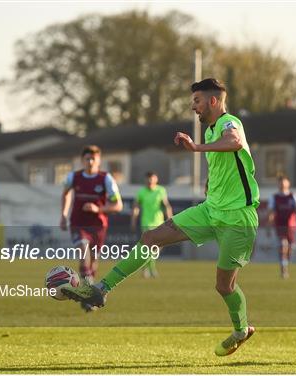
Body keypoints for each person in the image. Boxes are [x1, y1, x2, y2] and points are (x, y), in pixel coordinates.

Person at [62, 78, 260, 356]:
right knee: (151, 237)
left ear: (213, 101)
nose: (193, 107)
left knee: (224, 286)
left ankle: (241, 329)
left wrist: (195, 149)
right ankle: (102, 288)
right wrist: (209, 185)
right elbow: (224, 167)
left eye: (197, 101)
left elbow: (235, 141)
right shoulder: (211, 130)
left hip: (238, 218)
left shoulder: (230, 123)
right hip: (210, 210)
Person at [60, 145, 123, 289]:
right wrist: (63, 214)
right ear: (82, 160)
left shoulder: (106, 179)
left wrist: (98, 209)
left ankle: (89, 289)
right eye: (87, 159)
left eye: (93, 159)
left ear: (99, 160)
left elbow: (118, 205)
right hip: (78, 223)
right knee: (83, 251)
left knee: (93, 260)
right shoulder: (73, 177)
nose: (90, 162)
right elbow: (65, 194)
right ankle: (88, 289)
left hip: (98, 225)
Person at [131, 172, 173, 278]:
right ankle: (151, 270)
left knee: (157, 248)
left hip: (159, 223)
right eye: (148, 179)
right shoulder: (141, 192)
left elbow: (166, 205)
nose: (150, 181)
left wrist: (171, 219)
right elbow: (136, 207)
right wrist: (133, 220)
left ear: (156, 179)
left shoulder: (161, 190)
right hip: (146, 223)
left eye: (152, 179)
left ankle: (145, 267)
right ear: (146, 180)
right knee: (150, 247)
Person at [267, 175, 296, 279]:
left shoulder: (293, 196)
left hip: (291, 226)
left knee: (291, 247)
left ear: (288, 183)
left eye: (284, 182)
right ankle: (283, 271)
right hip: (279, 226)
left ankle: (286, 260)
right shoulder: (274, 197)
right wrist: (268, 226)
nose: (282, 184)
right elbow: (271, 213)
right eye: (280, 182)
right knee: (282, 245)